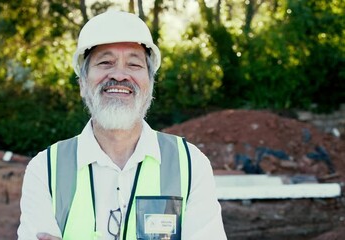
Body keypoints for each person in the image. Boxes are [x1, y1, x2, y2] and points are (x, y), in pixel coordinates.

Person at [17, 10, 227, 240]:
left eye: (134, 64)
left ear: (150, 83)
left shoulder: (190, 164)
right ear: (82, 84)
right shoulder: (46, 170)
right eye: (105, 62)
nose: (119, 75)